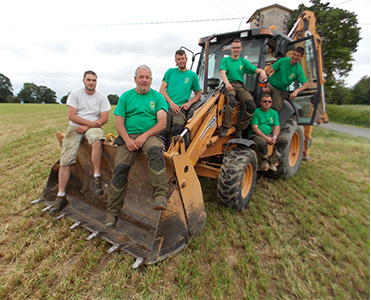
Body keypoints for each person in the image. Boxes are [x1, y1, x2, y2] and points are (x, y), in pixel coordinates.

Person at [105, 65, 169, 229]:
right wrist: (127, 140)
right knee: (120, 170)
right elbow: (119, 122)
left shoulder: (158, 98)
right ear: (135, 79)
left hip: (151, 136)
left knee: (155, 151)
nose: (144, 80)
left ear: (151, 79)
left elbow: (162, 123)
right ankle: (112, 213)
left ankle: (160, 196)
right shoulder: (126, 96)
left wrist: (144, 136)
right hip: (128, 137)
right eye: (141, 77)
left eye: (147, 77)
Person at [49, 70, 111, 215]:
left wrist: (90, 125)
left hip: (94, 126)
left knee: (97, 140)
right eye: (88, 80)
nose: (91, 82)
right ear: (83, 81)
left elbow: (104, 118)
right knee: (66, 158)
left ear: (97, 82)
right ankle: (61, 196)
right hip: (76, 126)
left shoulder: (101, 97)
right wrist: (88, 123)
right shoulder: (75, 94)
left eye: (94, 80)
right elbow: (72, 115)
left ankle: (96, 178)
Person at [219, 39, 267, 138]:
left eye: (238, 48)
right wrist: (227, 83)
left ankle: (240, 127)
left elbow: (255, 69)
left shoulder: (243, 62)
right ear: (231, 49)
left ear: (241, 49)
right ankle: (226, 126)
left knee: (251, 105)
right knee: (231, 100)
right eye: (234, 48)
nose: (235, 49)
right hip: (230, 84)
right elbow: (222, 72)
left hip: (240, 86)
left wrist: (262, 71)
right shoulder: (226, 60)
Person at [160, 49, 201, 138]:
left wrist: (189, 103)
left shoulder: (192, 76)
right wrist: (171, 103)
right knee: (162, 132)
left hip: (180, 109)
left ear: (186, 59)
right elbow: (162, 90)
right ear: (176, 61)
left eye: (182, 58)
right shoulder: (170, 72)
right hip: (167, 107)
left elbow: (198, 94)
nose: (181, 61)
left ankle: (175, 150)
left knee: (178, 129)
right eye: (178, 59)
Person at [247, 93, 288, 171]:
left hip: (270, 134)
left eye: (269, 102)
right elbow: (255, 128)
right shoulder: (256, 112)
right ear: (260, 102)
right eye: (265, 101)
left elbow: (277, 127)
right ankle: (264, 159)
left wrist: (274, 137)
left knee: (284, 140)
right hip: (256, 135)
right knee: (262, 142)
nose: (267, 103)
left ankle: (272, 160)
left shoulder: (273, 113)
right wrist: (266, 138)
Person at [267, 46, 309, 111]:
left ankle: (272, 119)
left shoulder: (298, 69)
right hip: (271, 85)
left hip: (280, 90)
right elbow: (269, 70)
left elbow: (306, 84)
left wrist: (296, 91)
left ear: (301, 57)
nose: (295, 57)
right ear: (292, 53)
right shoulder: (283, 61)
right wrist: (265, 83)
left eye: (298, 56)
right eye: (294, 54)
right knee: (263, 99)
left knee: (276, 108)